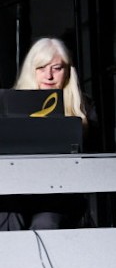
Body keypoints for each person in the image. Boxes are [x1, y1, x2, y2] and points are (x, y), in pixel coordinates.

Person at [3, 37, 91, 230]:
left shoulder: (83, 108)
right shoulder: (9, 106)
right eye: (41, 68)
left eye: (56, 68)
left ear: (67, 71)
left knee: (45, 224)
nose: (49, 76)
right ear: (31, 70)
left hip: (59, 195)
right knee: (8, 219)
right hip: (15, 191)